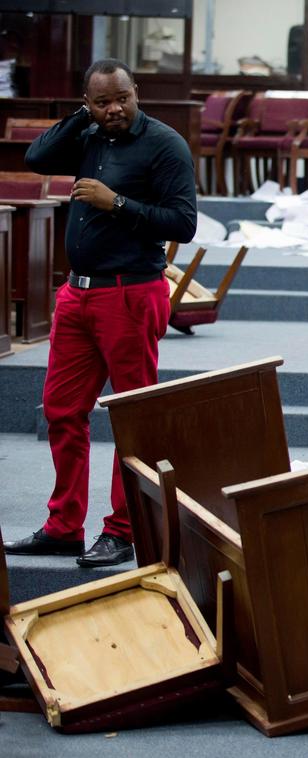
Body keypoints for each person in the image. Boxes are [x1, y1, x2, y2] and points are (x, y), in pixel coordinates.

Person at [2, 59, 197, 567]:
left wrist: (118, 204)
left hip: (131, 293)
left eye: (122, 99)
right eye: (102, 102)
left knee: (131, 415)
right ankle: (64, 526)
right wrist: (79, 118)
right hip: (77, 295)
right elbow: (37, 156)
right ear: (88, 103)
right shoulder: (89, 134)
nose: (115, 110)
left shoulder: (164, 144)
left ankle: (123, 529)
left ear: (137, 92)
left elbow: (184, 222)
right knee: (62, 409)